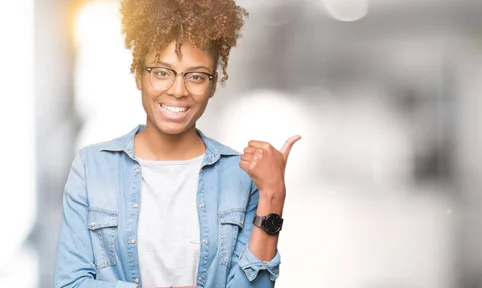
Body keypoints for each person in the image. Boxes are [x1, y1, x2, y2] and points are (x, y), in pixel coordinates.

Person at [53, 0, 300, 287]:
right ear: (138, 76)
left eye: (196, 76)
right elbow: (70, 283)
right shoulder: (92, 168)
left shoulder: (240, 176)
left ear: (212, 84)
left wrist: (273, 194)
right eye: (161, 72)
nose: (178, 90)